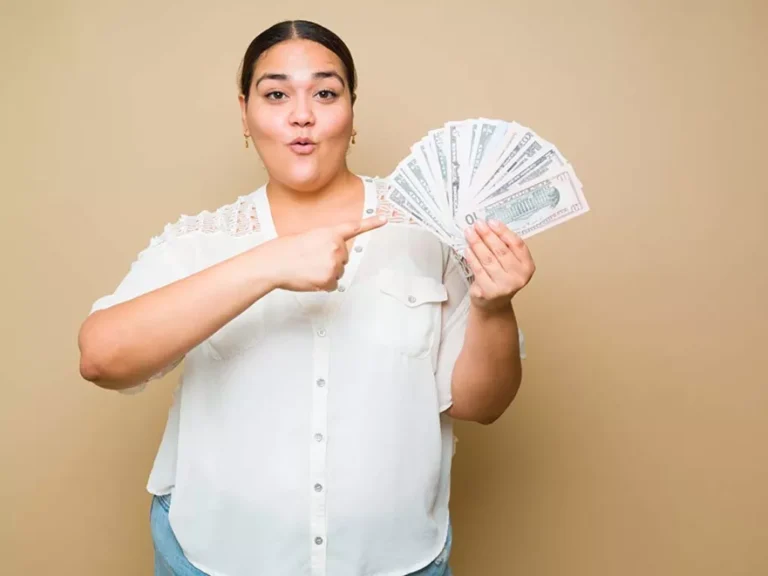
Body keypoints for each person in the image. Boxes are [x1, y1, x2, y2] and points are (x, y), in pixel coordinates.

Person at [78, 19, 534, 576]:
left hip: (395, 560)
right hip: (211, 559)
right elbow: (101, 359)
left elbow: (481, 405)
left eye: (325, 93)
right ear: (245, 114)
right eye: (276, 95)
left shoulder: (427, 230)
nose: (302, 115)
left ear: (351, 113)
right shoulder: (200, 240)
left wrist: (493, 306)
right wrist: (269, 263)